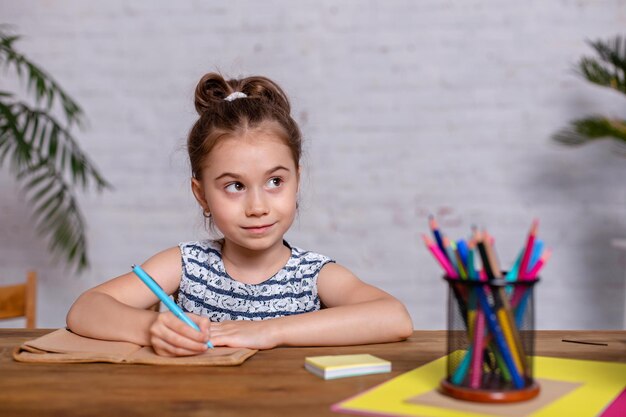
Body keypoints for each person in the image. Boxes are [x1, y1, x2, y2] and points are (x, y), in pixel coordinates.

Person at [66, 72, 413, 356]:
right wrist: (152, 327)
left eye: (275, 181)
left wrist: (266, 332)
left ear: (297, 180)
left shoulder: (313, 275)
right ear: (201, 194)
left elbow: (394, 318)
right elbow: (85, 309)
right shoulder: (185, 264)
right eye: (235, 186)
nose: (257, 206)